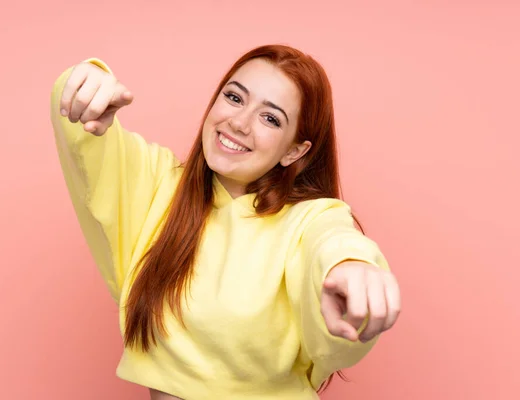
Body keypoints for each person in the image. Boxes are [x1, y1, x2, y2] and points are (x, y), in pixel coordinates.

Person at [50, 44, 401, 400]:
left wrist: (350, 264)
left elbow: (332, 241)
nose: (238, 122)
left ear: (295, 151)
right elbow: (86, 139)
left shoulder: (308, 220)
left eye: (270, 118)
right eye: (234, 97)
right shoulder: (157, 186)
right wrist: (84, 82)